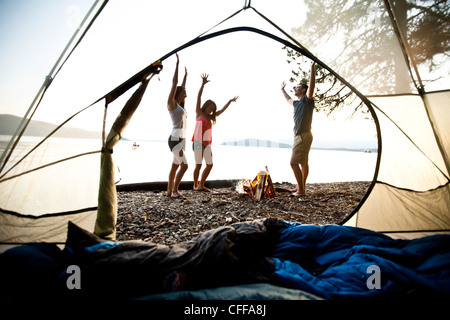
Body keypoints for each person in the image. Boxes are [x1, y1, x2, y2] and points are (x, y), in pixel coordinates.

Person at [192, 73, 238, 191]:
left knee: (209, 165)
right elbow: (198, 97)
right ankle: (195, 185)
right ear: (206, 106)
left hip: (207, 144)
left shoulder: (212, 117)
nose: (211, 109)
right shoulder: (199, 113)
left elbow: (222, 110)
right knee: (198, 165)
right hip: (197, 142)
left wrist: (230, 101)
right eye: (210, 107)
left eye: (212, 108)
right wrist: (202, 85)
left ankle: (201, 185)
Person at [281, 61, 316, 197]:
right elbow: (288, 99)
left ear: (303, 90)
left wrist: (312, 69)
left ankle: (301, 191)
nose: (294, 89)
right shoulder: (296, 104)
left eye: (297, 87)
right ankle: (300, 187)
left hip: (303, 135)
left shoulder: (307, 101)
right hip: (303, 135)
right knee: (303, 163)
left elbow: (311, 86)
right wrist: (282, 90)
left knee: (293, 162)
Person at [167, 53, 188, 198]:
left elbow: (182, 86)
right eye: (184, 93)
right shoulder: (172, 104)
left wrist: (186, 76)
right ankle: (175, 191)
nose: (186, 95)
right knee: (184, 165)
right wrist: (177, 64)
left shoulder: (180, 106)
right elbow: (175, 84)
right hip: (175, 138)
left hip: (180, 139)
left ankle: (169, 191)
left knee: (175, 166)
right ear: (178, 93)